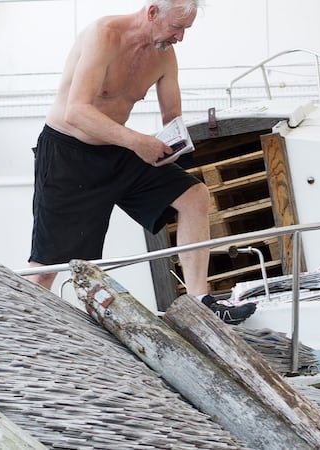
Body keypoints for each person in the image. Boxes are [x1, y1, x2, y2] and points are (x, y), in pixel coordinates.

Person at [26, 0, 255, 325]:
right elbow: (76, 112)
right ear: (152, 12)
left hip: (119, 149)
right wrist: (138, 141)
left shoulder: (165, 56)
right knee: (46, 268)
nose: (180, 37)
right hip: (68, 153)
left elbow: (171, 116)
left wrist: (176, 144)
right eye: (177, 27)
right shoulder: (103, 35)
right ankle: (24, 329)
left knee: (195, 197)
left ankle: (199, 304)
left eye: (185, 30)